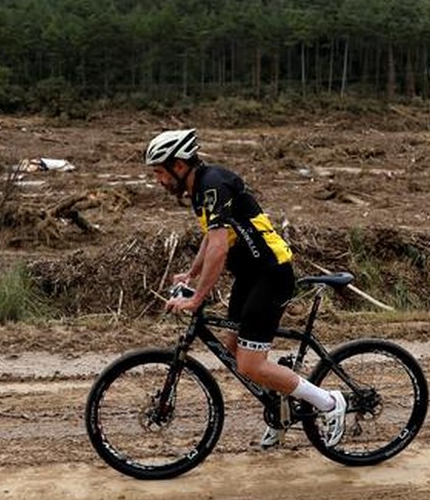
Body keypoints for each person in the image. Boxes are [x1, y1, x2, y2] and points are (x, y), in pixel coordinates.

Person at [144, 128, 347, 448]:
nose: (157, 179)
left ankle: (330, 403)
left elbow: (220, 249)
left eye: (159, 171)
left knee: (249, 363)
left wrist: (198, 298)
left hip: (271, 274)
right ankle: (280, 406)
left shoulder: (213, 184)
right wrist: (191, 275)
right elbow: (211, 239)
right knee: (233, 349)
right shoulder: (200, 190)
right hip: (250, 277)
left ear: (179, 166)